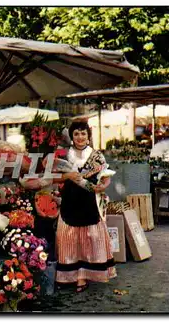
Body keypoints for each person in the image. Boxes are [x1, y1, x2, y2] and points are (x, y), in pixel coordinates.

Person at [50, 121, 116, 292]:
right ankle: (70, 276)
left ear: (88, 136)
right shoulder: (64, 155)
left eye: (83, 134)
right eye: (77, 134)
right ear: (72, 136)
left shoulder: (97, 155)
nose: (80, 137)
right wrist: (68, 177)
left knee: (90, 239)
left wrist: (104, 185)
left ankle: (83, 276)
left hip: (90, 201)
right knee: (69, 239)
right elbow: (53, 178)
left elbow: (106, 175)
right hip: (70, 201)